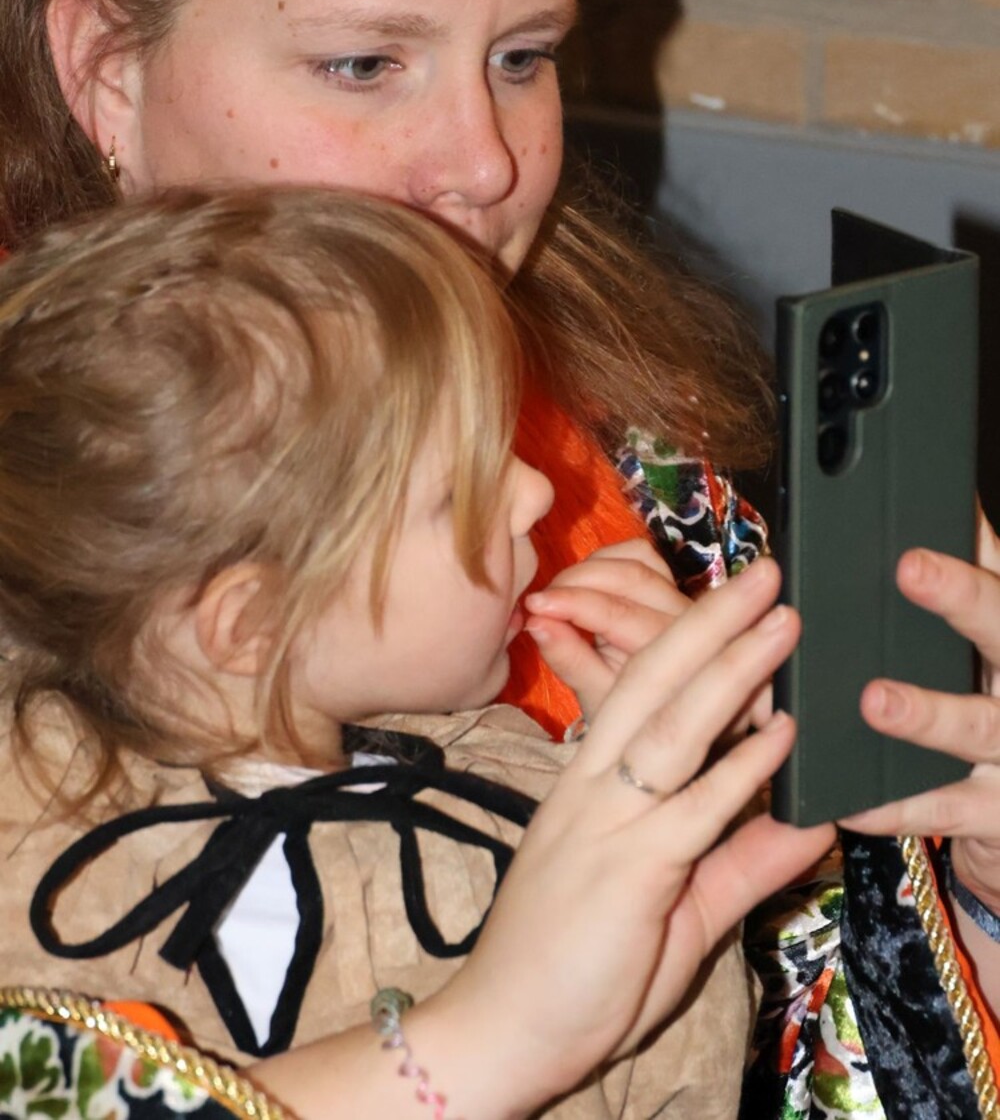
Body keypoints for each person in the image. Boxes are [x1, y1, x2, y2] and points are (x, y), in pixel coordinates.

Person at [0, 0, 999, 1113]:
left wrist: (966, 881)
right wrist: (480, 1046)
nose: (483, 162)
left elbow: (808, 1062)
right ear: (107, 72)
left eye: (522, 56)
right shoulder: (36, 522)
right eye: (365, 64)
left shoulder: (629, 493)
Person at [0, 184, 830, 1119]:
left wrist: (665, 798)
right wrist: (496, 1027)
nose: (532, 494)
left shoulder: (502, 784)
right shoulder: (39, 857)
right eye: (454, 492)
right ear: (252, 623)